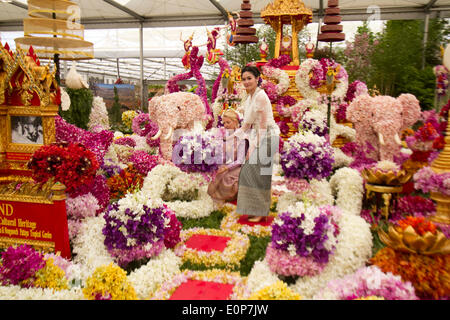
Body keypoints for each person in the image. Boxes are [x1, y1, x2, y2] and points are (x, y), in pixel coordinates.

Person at [230, 65, 280, 222]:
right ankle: (254, 209)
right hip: (258, 136)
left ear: (257, 79)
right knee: (250, 172)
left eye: (249, 78)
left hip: (267, 137)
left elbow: (263, 127)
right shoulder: (250, 97)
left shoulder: (260, 96)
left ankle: (260, 212)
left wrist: (252, 148)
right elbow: (246, 125)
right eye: (243, 79)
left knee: (257, 173)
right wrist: (232, 138)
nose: (246, 82)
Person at [207, 109, 248, 206]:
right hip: (227, 163)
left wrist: (226, 167)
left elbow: (240, 160)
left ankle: (224, 198)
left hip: (238, 166)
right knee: (215, 174)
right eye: (224, 123)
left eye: (228, 122)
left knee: (226, 177)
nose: (225, 125)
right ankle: (212, 198)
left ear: (236, 122)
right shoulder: (225, 135)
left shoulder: (242, 137)